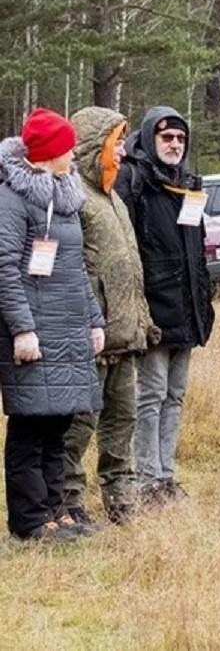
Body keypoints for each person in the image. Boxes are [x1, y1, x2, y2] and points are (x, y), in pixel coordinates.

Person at [0, 108, 105, 541]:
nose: (74, 155)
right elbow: (4, 269)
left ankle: (54, 510)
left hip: (67, 329)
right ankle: (29, 520)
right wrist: (22, 329)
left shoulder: (65, 196)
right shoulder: (11, 199)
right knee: (31, 425)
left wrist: (94, 321)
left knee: (57, 424)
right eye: (67, 148)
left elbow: (75, 268)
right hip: (35, 333)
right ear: (47, 153)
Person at [116, 105, 215, 504]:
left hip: (186, 309)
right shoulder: (134, 181)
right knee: (151, 395)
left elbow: (197, 252)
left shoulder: (187, 184)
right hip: (154, 308)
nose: (175, 144)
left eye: (180, 138)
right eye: (167, 137)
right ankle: (147, 479)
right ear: (150, 138)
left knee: (175, 396)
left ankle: (166, 476)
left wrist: (203, 301)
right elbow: (125, 252)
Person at [63, 106, 152, 527]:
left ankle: (121, 499)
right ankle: (67, 500)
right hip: (92, 338)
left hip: (125, 336)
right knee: (79, 426)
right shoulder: (74, 198)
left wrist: (142, 321)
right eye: (116, 142)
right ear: (92, 146)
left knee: (123, 422)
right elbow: (72, 270)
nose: (122, 151)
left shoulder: (113, 197)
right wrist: (88, 322)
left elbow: (130, 267)